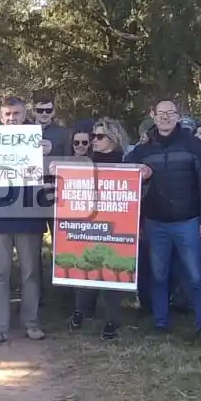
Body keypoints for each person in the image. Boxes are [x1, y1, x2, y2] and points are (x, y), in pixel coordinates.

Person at [125, 97, 201, 341]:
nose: (166, 117)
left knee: (195, 274)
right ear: (153, 115)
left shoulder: (192, 145)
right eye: (161, 113)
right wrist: (138, 175)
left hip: (188, 220)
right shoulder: (142, 149)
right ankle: (160, 321)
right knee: (158, 273)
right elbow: (125, 177)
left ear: (178, 116)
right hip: (155, 222)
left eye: (171, 113)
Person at [0, 95, 51, 346]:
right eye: (8, 114)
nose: (12, 118)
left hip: (29, 215)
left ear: (25, 115)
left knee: (30, 273)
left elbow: (53, 173)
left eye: (17, 114)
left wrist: (47, 154)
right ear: (0, 117)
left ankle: (31, 324)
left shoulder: (38, 142)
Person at [68, 118, 129, 340]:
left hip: (118, 226)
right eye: (93, 136)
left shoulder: (127, 162)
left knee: (113, 272)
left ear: (113, 138)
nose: (93, 140)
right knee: (85, 269)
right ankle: (79, 311)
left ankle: (112, 321)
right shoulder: (84, 162)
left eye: (99, 137)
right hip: (88, 224)